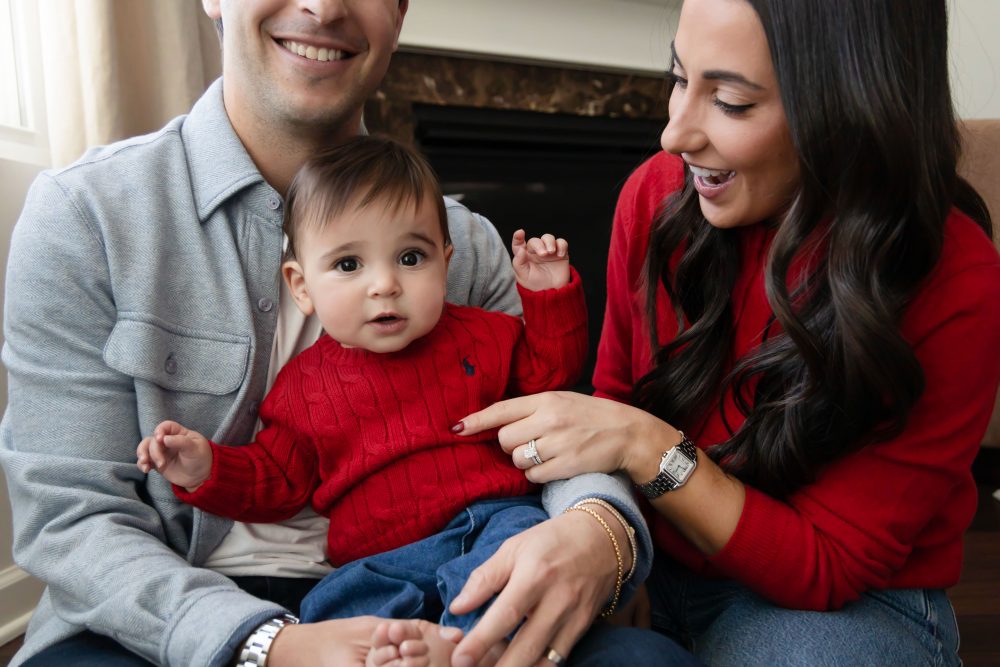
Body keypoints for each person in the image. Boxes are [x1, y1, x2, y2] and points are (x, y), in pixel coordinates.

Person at [0, 2, 698, 666]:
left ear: (399, 10)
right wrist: (267, 643)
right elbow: (74, 519)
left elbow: (548, 416)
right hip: (174, 612)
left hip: (453, 568)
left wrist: (601, 527)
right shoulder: (85, 217)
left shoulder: (471, 246)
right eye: (348, 265)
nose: (323, 6)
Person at [454, 0, 1000, 665]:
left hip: (832, 602)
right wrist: (611, 538)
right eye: (679, 78)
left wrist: (650, 445)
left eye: (732, 103)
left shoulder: (954, 277)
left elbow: (825, 564)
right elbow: (615, 401)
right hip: (658, 559)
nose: (673, 134)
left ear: (848, 109)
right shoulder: (655, 194)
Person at [136, 134, 591, 665]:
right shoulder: (304, 386)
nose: (385, 284)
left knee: (519, 560)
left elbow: (549, 382)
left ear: (445, 263)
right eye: (349, 265)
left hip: (487, 520)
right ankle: (411, 650)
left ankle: (472, 648)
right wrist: (206, 467)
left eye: (410, 257)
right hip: (376, 556)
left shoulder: (485, 336)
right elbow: (279, 480)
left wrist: (549, 296)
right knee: (333, 605)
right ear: (301, 286)